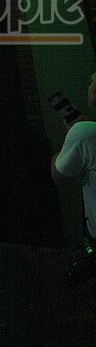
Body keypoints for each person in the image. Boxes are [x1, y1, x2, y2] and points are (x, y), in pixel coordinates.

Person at [50, 71, 96, 242]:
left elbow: (58, 175)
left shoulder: (84, 133)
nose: (89, 85)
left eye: (92, 81)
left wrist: (72, 135)